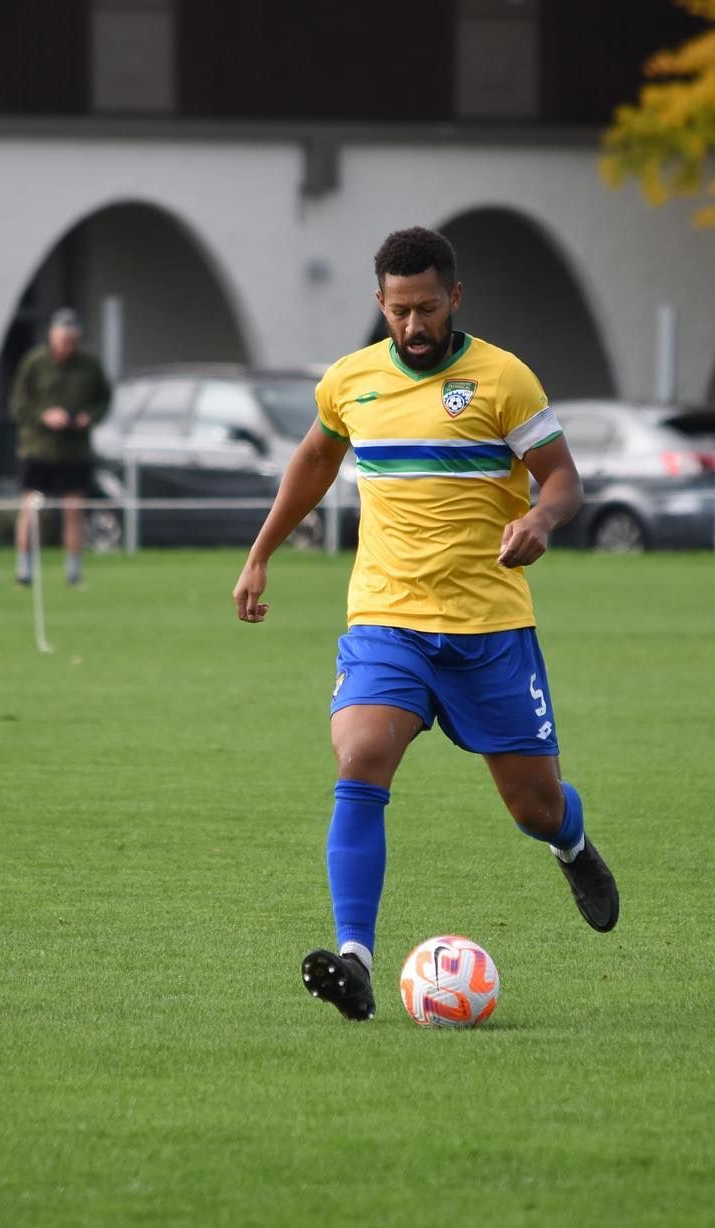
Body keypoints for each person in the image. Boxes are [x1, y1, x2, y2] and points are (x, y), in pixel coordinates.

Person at [232, 226, 618, 1022]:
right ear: (379, 303)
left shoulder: (503, 380)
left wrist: (542, 521)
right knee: (362, 756)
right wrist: (261, 551)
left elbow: (562, 479)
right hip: (388, 621)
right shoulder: (350, 382)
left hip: (488, 630)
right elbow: (313, 461)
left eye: (428, 309)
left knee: (534, 807)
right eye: (399, 310)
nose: (413, 326)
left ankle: (571, 846)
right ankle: (356, 959)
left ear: (455, 299)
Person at [10, 307, 111, 586]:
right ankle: (24, 572)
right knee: (29, 509)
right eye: (63, 340)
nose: (68, 346)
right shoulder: (34, 363)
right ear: (52, 337)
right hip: (37, 449)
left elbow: (104, 399)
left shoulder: (90, 365)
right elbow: (19, 404)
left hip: (74, 451)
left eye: (72, 341)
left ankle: (74, 574)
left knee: (74, 509)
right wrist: (44, 417)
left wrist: (88, 418)